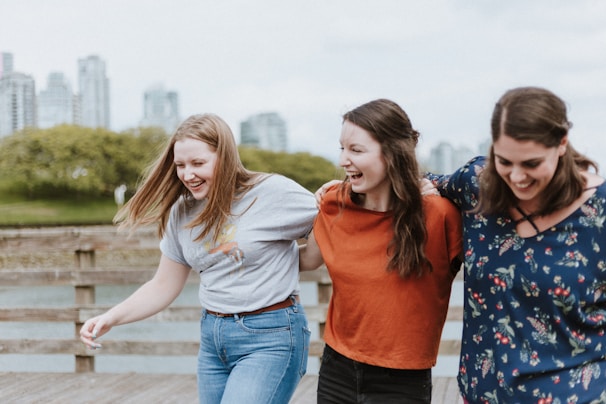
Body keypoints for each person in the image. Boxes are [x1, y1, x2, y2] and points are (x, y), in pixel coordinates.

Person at [79, 113, 318, 404]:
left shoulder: (271, 193)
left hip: (271, 337)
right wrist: (110, 317)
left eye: (198, 163)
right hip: (213, 341)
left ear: (225, 157)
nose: (187, 174)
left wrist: (304, 249)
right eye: (180, 165)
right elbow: (163, 285)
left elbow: (331, 226)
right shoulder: (182, 211)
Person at [424, 87, 606, 403]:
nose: (517, 176)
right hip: (479, 395)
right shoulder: (477, 182)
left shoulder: (599, 213)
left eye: (532, 163)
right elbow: (420, 184)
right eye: (504, 161)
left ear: (562, 143)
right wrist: (339, 193)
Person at [300, 98, 463, 403]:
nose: (343, 160)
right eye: (342, 148)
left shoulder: (439, 215)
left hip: (402, 380)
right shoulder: (334, 204)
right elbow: (306, 259)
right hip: (337, 368)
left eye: (356, 150)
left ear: (392, 154)